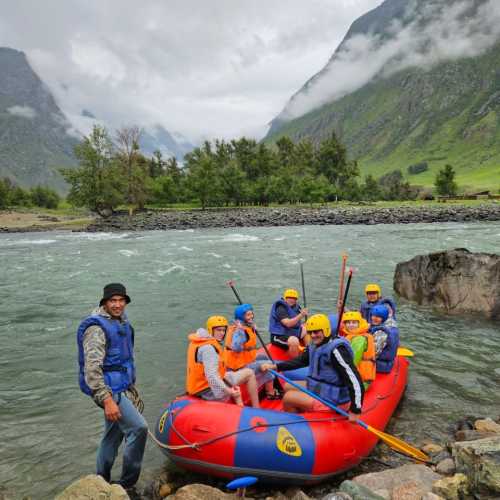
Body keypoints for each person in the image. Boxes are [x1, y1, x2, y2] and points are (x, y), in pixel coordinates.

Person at [77, 283, 147, 491]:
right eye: (112, 301)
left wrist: (130, 385)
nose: (117, 305)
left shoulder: (121, 322)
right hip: (106, 389)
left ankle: (101, 480)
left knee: (113, 434)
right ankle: (127, 483)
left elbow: (123, 359)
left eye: (121, 300)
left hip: (119, 387)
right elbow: (92, 369)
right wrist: (107, 400)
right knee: (138, 428)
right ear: (105, 303)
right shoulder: (96, 329)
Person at [261, 314, 364, 418]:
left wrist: (356, 409)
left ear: (326, 330)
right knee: (288, 386)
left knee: (288, 398)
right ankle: (301, 412)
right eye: (310, 332)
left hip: (335, 400)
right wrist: (276, 367)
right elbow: (301, 361)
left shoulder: (337, 350)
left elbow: (354, 379)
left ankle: (295, 427)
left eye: (316, 332)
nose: (313, 335)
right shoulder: (315, 344)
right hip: (322, 388)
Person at [186, 315, 260, 407]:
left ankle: (253, 408)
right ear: (210, 330)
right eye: (218, 330)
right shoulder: (209, 349)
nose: (222, 333)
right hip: (207, 389)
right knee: (238, 390)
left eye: (223, 330)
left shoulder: (198, 341)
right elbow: (212, 377)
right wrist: (230, 391)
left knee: (249, 372)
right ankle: (252, 409)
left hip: (200, 384)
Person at [225, 304, 278, 399]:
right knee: (269, 364)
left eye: (251, 314)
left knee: (264, 357)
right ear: (242, 317)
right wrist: (240, 332)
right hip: (238, 367)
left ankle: (269, 385)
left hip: (243, 360)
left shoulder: (245, 326)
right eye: (248, 315)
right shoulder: (240, 331)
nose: (251, 317)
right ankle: (270, 393)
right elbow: (235, 347)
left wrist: (252, 327)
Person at [269, 288, 308, 357]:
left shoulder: (296, 307)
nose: (292, 300)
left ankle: (309, 352)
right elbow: (288, 324)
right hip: (279, 336)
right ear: (285, 298)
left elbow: (298, 323)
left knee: (307, 329)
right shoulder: (280, 308)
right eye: (289, 298)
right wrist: (301, 315)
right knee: (294, 341)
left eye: (294, 298)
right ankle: (295, 362)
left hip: (291, 332)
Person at [340, 311, 376, 387]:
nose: (351, 325)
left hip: (361, 380)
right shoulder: (351, 335)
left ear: (359, 323)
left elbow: (353, 361)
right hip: (356, 375)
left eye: (354, 322)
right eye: (348, 323)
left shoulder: (360, 339)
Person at [369, 305, 400, 373]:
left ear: (383, 317)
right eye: (373, 315)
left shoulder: (382, 332)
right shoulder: (392, 325)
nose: (374, 318)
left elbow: (373, 354)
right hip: (388, 362)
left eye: (378, 317)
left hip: (381, 366)